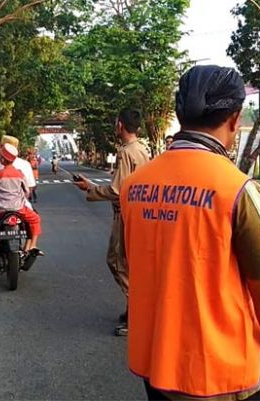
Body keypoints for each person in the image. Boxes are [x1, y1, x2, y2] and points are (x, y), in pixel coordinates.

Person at [120, 65, 260, 401]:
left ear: (180, 114)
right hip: (219, 376)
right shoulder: (239, 191)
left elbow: (137, 262)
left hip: (155, 366)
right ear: (235, 118)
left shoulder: (134, 187)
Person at [73, 109, 150, 336]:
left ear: (119, 126)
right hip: (139, 212)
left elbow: (117, 189)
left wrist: (90, 188)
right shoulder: (143, 149)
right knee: (130, 263)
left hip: (124, 212)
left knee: (116, 261)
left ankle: (138, 310)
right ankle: (133, 308)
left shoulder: (126, 153)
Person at [0, 143, 42, 261]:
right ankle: (33, 245)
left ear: (2, 159)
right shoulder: (20, 173)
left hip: (1, 209)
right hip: (20, 209)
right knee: (36, 219)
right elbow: (27, 191)